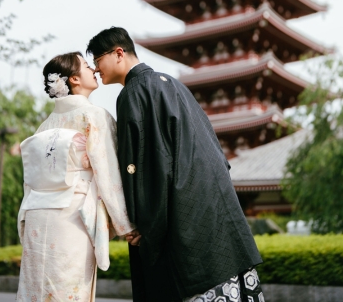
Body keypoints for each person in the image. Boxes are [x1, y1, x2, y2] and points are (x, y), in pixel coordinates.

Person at [87, 27, 265, 302]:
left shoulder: (133, 93)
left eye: (98, 60)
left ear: (119, 53)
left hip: (180, 209)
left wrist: (136, 221)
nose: (96, 70)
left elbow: (141, 164)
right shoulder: (172, 83)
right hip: (212, 199)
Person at [16, 52, 135, 302]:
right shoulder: (93, 116)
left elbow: (31, 182)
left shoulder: (44, 126)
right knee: (68, 288)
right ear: (74, 79)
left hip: (38, 214)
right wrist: (125, 225)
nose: (93, 69)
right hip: (72, 215)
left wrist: (23, 222)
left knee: (37, 289)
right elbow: (108, 173)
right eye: (85, 66)